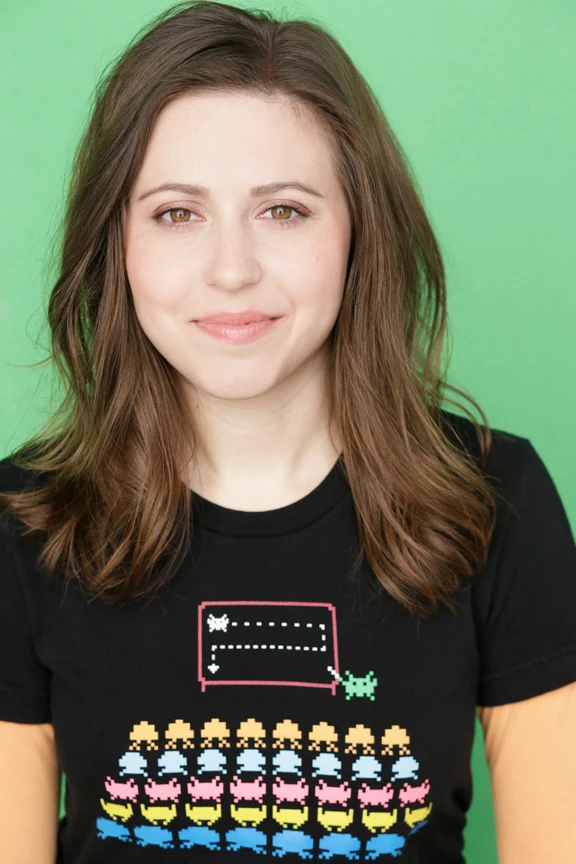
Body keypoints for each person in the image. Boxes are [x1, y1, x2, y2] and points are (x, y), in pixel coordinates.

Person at [0, 1, 575, 862]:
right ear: (115, 243)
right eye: (176, 213)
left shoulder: (500, 503)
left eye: (284, 211)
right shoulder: (21, 522)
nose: (232, 270)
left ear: (358, 232)